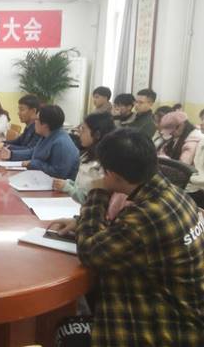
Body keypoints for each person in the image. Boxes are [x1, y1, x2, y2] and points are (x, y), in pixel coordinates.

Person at [51, 129, 204, 346]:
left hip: (167, 325)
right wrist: (80, 222)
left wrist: (97, 192)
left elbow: (89, 253)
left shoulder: (146, 217)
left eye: (103, 171)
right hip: (182, 306)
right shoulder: (174, 195)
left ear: (114, 175)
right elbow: (130, 234)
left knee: (65, 330)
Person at [0, 105, 79, 179]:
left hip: (55, 187)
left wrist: (33, 164)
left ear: (45, 124)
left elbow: (58, 174)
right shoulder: (47, 135)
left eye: (36, 119)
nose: (34, 122)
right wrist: (11, 154)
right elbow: (33, 152)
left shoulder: (61, 143)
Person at [52, 113, 116, 204]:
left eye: (83, 129)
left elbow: (91, 200)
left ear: (97, 134)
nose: (79, 133)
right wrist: (69, 184)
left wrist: (68, 188)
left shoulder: (104, 164)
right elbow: (81, 187)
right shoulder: (87, 154)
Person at [0, 94, 41, 160]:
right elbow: (18, 141)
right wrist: (2, 143)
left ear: (33, 111)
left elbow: (29, 150)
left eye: (22, 110)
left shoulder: (38, 129)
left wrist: (4, 145)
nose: (18, 113)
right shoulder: (28, 127)